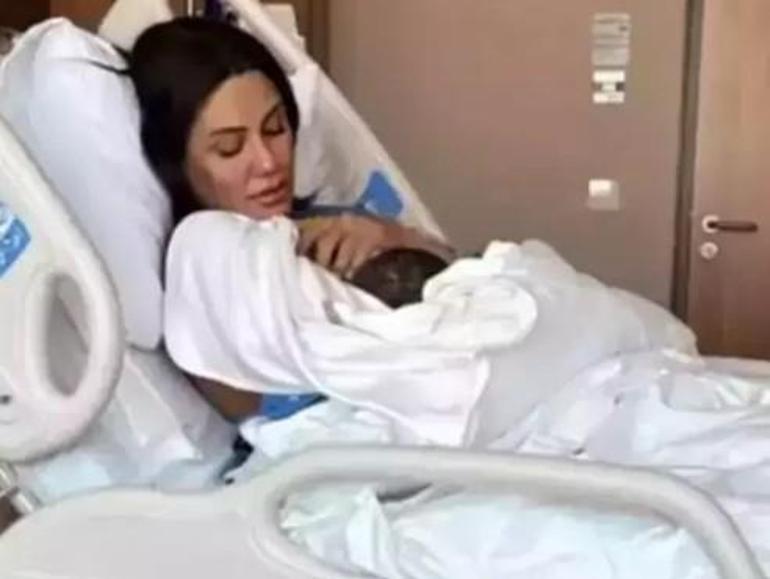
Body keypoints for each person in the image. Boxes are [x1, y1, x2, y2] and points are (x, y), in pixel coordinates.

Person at [128, 18, 453, 419]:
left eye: (275, 128)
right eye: (230, 148)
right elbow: (254, 411)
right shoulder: (202, 265)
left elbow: (476, 285)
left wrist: (395, 237)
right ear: (177, 164)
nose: (268, 162)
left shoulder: (341, 225)